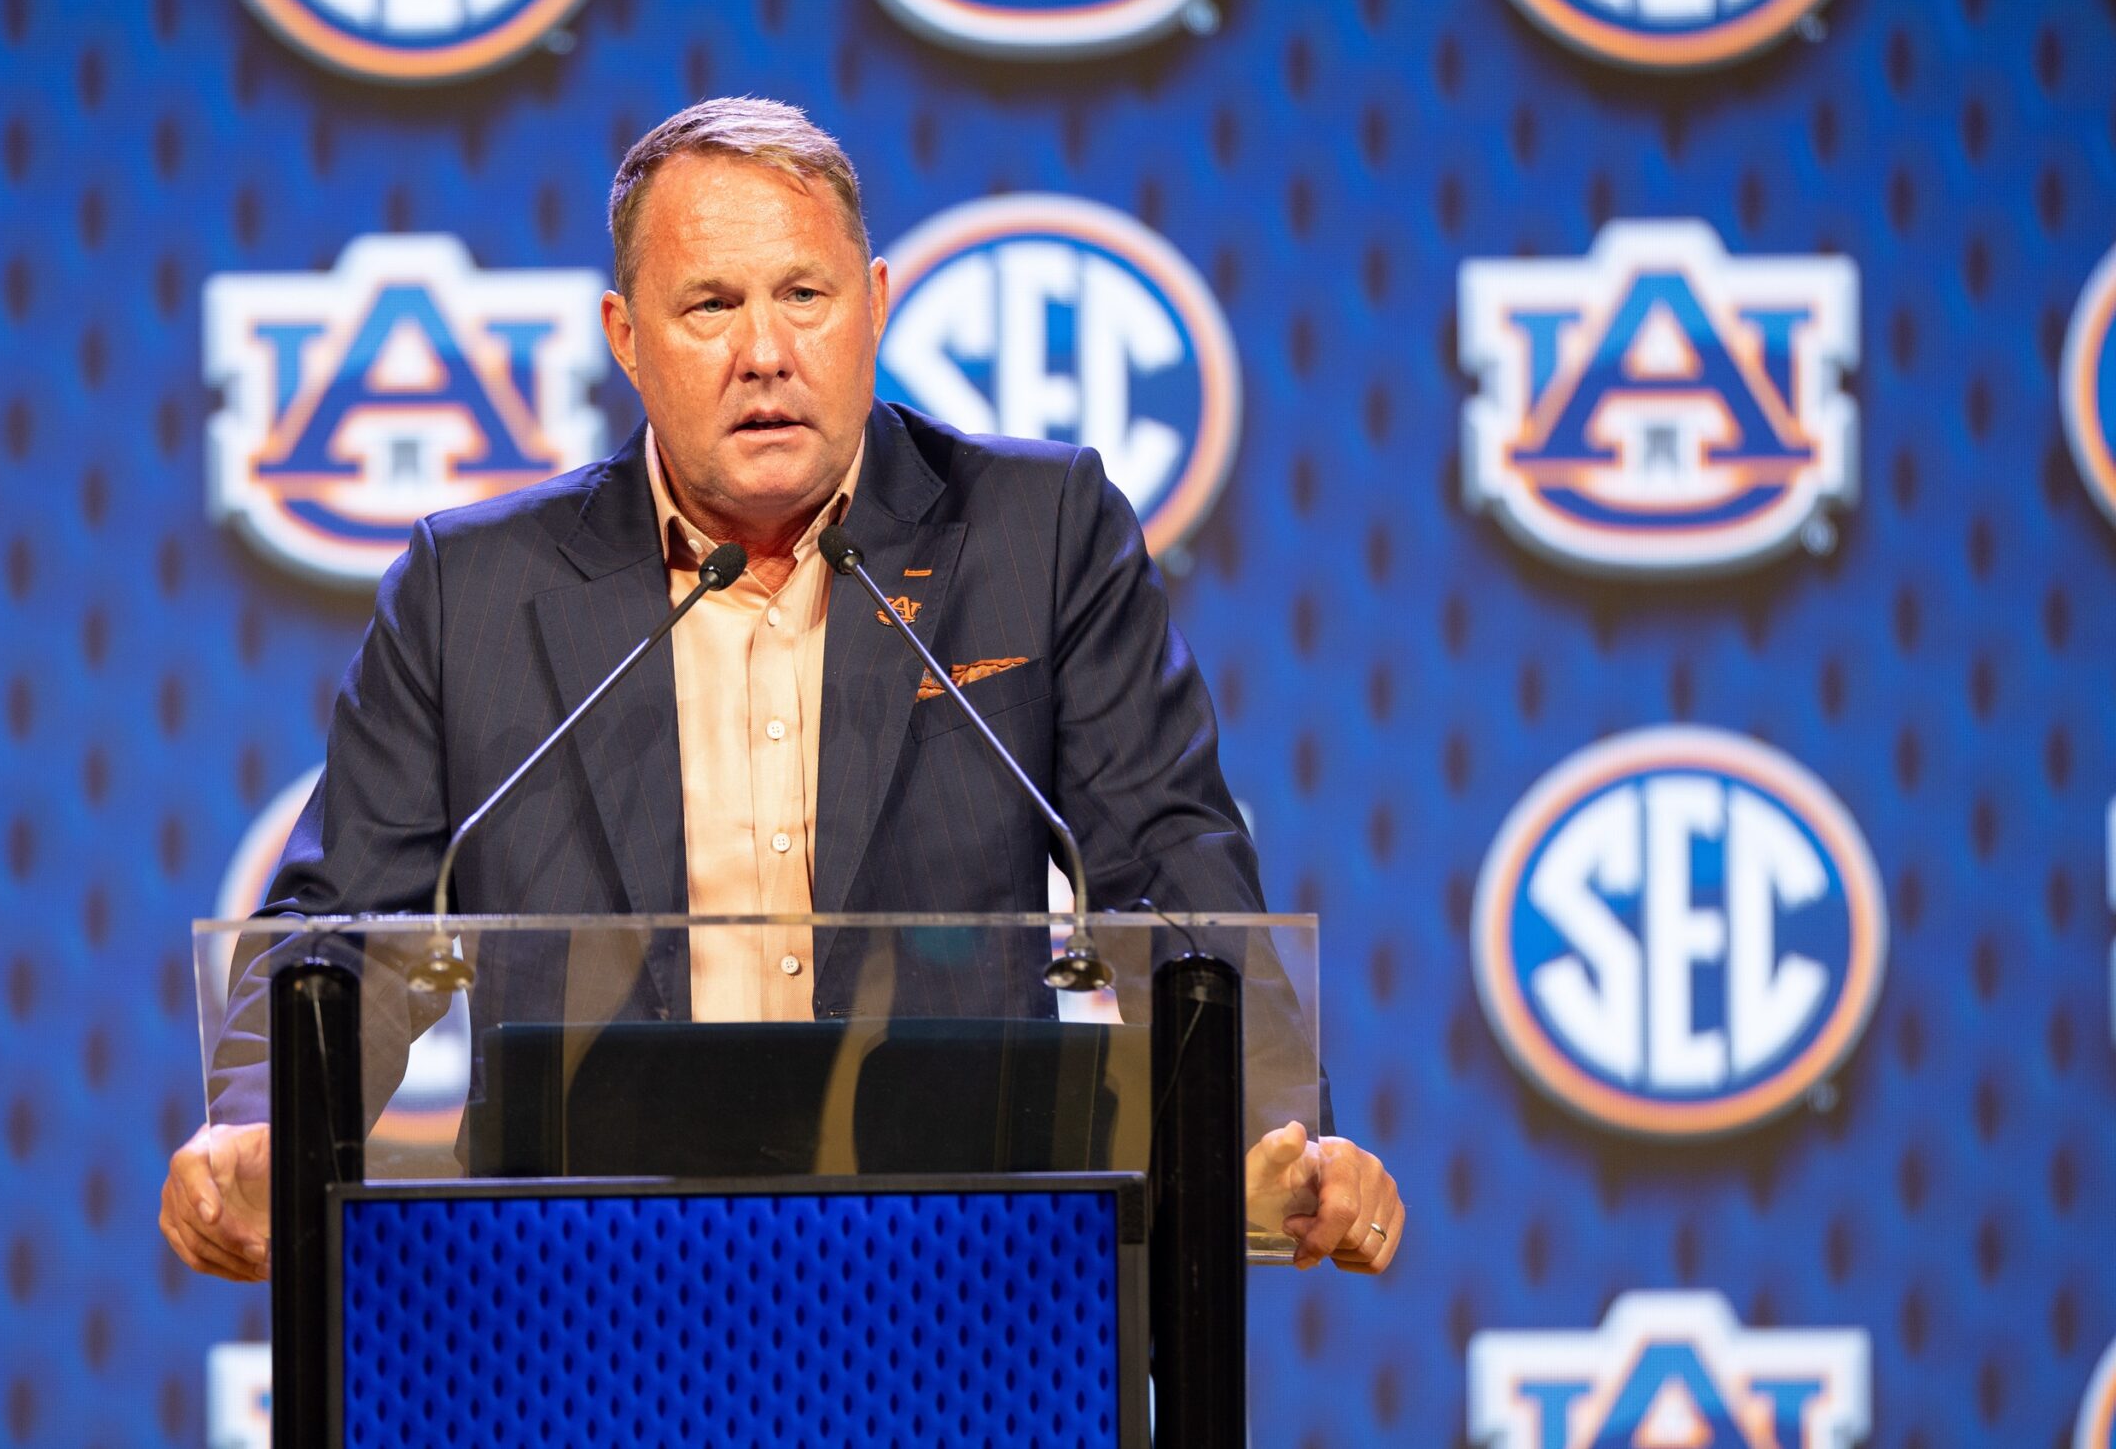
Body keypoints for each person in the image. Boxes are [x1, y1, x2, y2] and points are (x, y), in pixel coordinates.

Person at [158, 98, 1405, 1284]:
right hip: (583, 1288)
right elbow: (342, 928)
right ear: (624, 338)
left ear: (871, 307)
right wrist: (265, 1127)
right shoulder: (468, 592)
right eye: (709, 304)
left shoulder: (1036, 536)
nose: (765, 352)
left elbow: (1165, 865)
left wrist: (1265, 1123)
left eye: (803, 296)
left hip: (965, 1281)